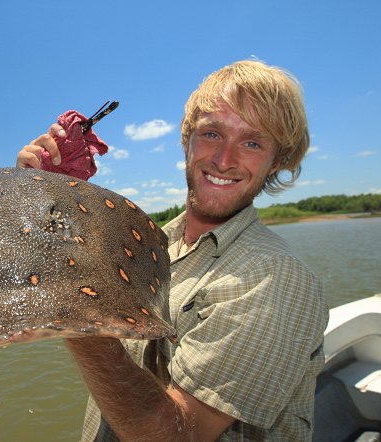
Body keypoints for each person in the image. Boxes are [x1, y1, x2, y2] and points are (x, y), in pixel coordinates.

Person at [17, 60, 328, 441]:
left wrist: (77, 303)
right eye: (212, 134)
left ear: (277, 161)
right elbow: (41, 274)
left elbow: (178, 435)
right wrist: (48, 197)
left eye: (252, 142)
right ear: (187, 140)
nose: (224, 159)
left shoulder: (276, 279)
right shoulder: (150, 243)